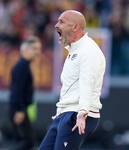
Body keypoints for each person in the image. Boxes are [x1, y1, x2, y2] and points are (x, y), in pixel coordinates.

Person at [39, 10, 106, 150]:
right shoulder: (74, 50)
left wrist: (82, 111)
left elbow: (87, 82)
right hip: (66, 114)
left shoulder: (89, 50)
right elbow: (71, 86)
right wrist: (60, 111)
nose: (56, 25)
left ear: (75, 27)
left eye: (62, 22)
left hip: (77, 114)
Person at [8, 36, 41, 150]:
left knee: (22, 141)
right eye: (35, 48)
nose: (38, 52)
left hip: (18, 108)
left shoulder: (23, 65)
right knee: (27, 142)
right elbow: (18, 89)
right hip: (18, 109)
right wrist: (20, 110)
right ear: (26, 50)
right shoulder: (22, 66)